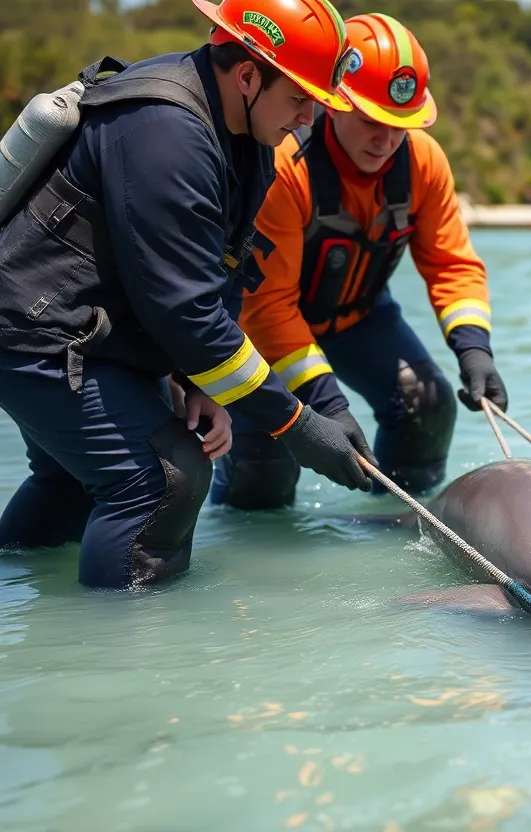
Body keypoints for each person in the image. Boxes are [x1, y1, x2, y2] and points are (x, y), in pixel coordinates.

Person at [0, 0, 376, 590]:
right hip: (37, 332)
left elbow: (220, 272)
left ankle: (25, 609)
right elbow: (187, 314)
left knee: (74, 481)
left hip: (86, 330)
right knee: (160, 481)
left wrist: (200, 384)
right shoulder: (165, 132)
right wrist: (298, 425)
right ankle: (124, 667)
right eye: (299, 97)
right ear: (248, 74)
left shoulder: (249, 139)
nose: (307, 119)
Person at [209, 12, 508, 511]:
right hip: (261, 330)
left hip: (359, 318)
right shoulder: (285, 164)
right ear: (334, 100)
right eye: (373, 121)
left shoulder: (424, 162)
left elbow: (452, 265)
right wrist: (327, 404)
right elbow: (267, 308)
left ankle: (395, 533)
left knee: (426, 404)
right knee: (265, 459)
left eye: (402, 125)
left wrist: (475, 350)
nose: (387, 140)